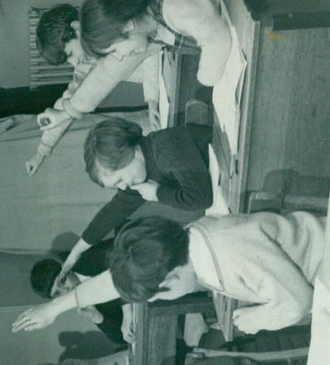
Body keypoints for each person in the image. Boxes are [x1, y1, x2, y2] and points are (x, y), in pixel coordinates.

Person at [12, 211, 324, 336]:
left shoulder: (227, 258)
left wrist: (254, 320)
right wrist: (54, 308)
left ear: (169, 282)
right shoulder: (188, 241)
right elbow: (113, 281)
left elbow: (299, 302)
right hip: (319, 264)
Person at [55, 118, 214, 283]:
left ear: (128, 152)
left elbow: (202, 199)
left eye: (119, 180)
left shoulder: (165, 147)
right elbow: (111, 213)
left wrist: (158, 193)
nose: (123, 187)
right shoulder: (138, 177)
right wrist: (75, 253)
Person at [28, 4, 159, 177]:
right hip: (163, 77)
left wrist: (152, 97)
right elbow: (66, 105)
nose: (74, 63)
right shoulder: (85, 63)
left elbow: (152, 50)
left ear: (76, 28)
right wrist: (41, 152)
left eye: (71, 53)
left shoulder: (108, 22)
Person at [79, 0, 233, 89]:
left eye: (114, 50)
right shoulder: (153, 28)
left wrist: (206, 78)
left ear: (126, 26)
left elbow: (219, 41)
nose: (121, 55)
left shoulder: (171, 5)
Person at [30, 241, 130, 347]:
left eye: (62, 282)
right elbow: (122, 338)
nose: (66, 291)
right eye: (58, 293)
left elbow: (126, 263)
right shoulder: (83, 302)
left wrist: (127, 312)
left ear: (64, 268)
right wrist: (96, 317)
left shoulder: (87, 257)